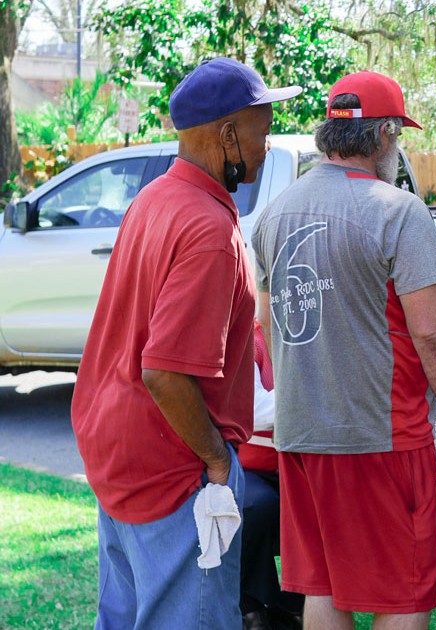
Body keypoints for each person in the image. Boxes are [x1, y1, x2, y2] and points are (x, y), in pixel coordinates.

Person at [70, 57, 299, 629]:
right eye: (261, 131)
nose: (267, 144)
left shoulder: (156, 198)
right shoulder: (208, 228)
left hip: (118, 452)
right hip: (171, 469)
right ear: (227, 136)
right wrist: (218, 463)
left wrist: (243, 335)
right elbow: (164, 372)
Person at [252, 70, 436, 630]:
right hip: (379, 436)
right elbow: (432, 331)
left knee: (324, 584)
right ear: (383, 136)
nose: (396, 148)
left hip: (301, 434)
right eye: (397, 136)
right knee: (405, 593)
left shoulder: (274, 213)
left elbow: (268, 324)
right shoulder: (396, 210)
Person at [240, 320, 305, 630]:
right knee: (256, 505)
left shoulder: (308, 330)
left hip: (303, 463)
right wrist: (316, 395)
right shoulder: (248, 337)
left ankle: (294, 608)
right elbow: (252, 410)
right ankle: (250, 606)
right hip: (252, 465)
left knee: (315, 510)